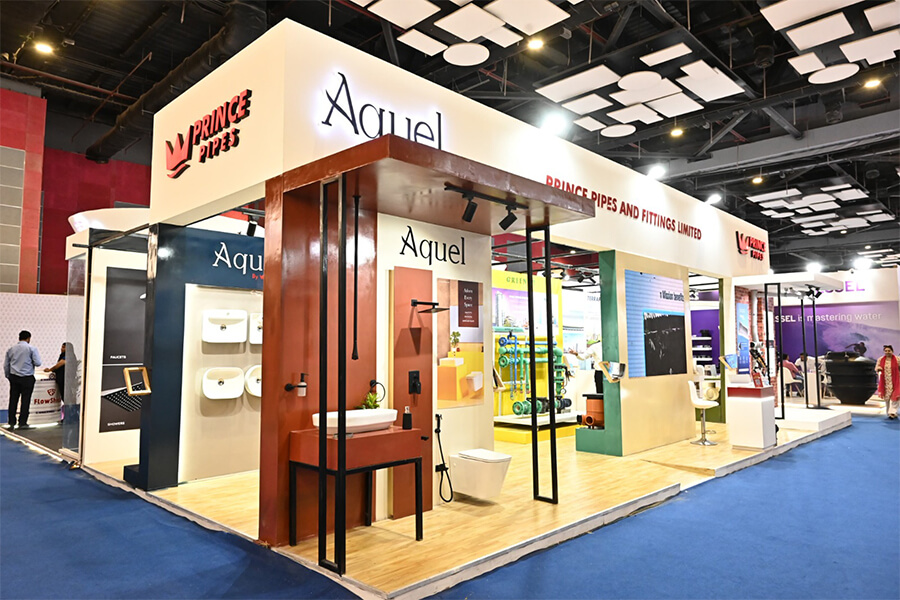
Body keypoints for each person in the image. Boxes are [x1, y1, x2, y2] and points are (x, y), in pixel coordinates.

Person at [4, 330, 42, 430]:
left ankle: (11, 422)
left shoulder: (11, 349)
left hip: (14, 377)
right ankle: (22, 423)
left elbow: (6, 365)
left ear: (19, 338)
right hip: (27, 378)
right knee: (25, 400)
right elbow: (38, 363)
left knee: (13, 400)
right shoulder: (32, 348)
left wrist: (8, 376)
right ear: (28, 338)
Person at [875, 345, 899, 419]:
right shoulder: (880, 359)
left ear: (892, 351)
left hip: (896, 380)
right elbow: (876, 367)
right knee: (887, 397)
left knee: (896, 396)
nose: (887, 352)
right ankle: (889, 412)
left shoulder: (898, 359)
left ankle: (892, 412)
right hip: (885, 381)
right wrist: (878, 368)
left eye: (889, 351)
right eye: (886, 351)